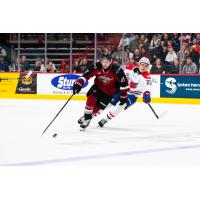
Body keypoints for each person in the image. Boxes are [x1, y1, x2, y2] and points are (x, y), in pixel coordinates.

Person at [72, 54, 129, 131]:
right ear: (101, 61)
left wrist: (123, 96)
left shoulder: (117, 70)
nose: (105, 64)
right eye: (103, 62)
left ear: (111, 62)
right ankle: (87, 119)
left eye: (107, 62)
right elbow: (86, 75)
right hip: (98, 87)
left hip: (109, 93)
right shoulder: (96, 66)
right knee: (90, 99)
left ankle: (87, 116)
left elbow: (124, 83)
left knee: (97, 108)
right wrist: (78, 84)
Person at [98, 57, 151, 127]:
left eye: (146, 66)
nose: (143, 67)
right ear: (139, 64)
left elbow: (148, 88)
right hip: (122, 90)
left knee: (121, 105)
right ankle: (92, 114)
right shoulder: (129, 68)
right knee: (108, 103)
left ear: (148, 67)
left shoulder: (147, 77)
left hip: (132, 95)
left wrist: (147, 94)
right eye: (142, 64)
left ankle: (106, 119)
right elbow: (119, 70)